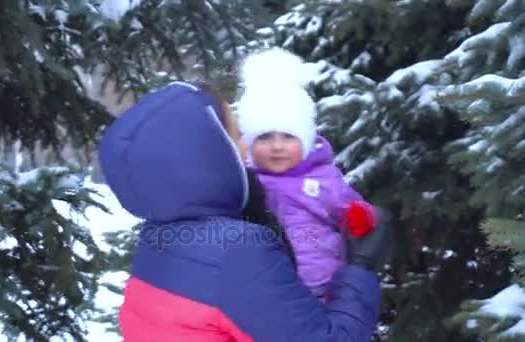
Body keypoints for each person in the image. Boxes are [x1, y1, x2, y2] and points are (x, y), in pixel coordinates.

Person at [98, 80, 391, 341]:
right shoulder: (240, 249)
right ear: (209, 151)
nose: (246, 149)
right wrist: (359, 269)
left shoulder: (157, 235)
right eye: (238, 136)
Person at [235, 47, 381, 301]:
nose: (277, 146)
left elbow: (350, 206)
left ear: (305, 140)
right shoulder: (247, 182)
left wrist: (360, 215)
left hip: (324, 289)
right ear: (249, 141)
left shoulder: (324, 177)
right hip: (270, 293)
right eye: (265, 137)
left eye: (289, 136)